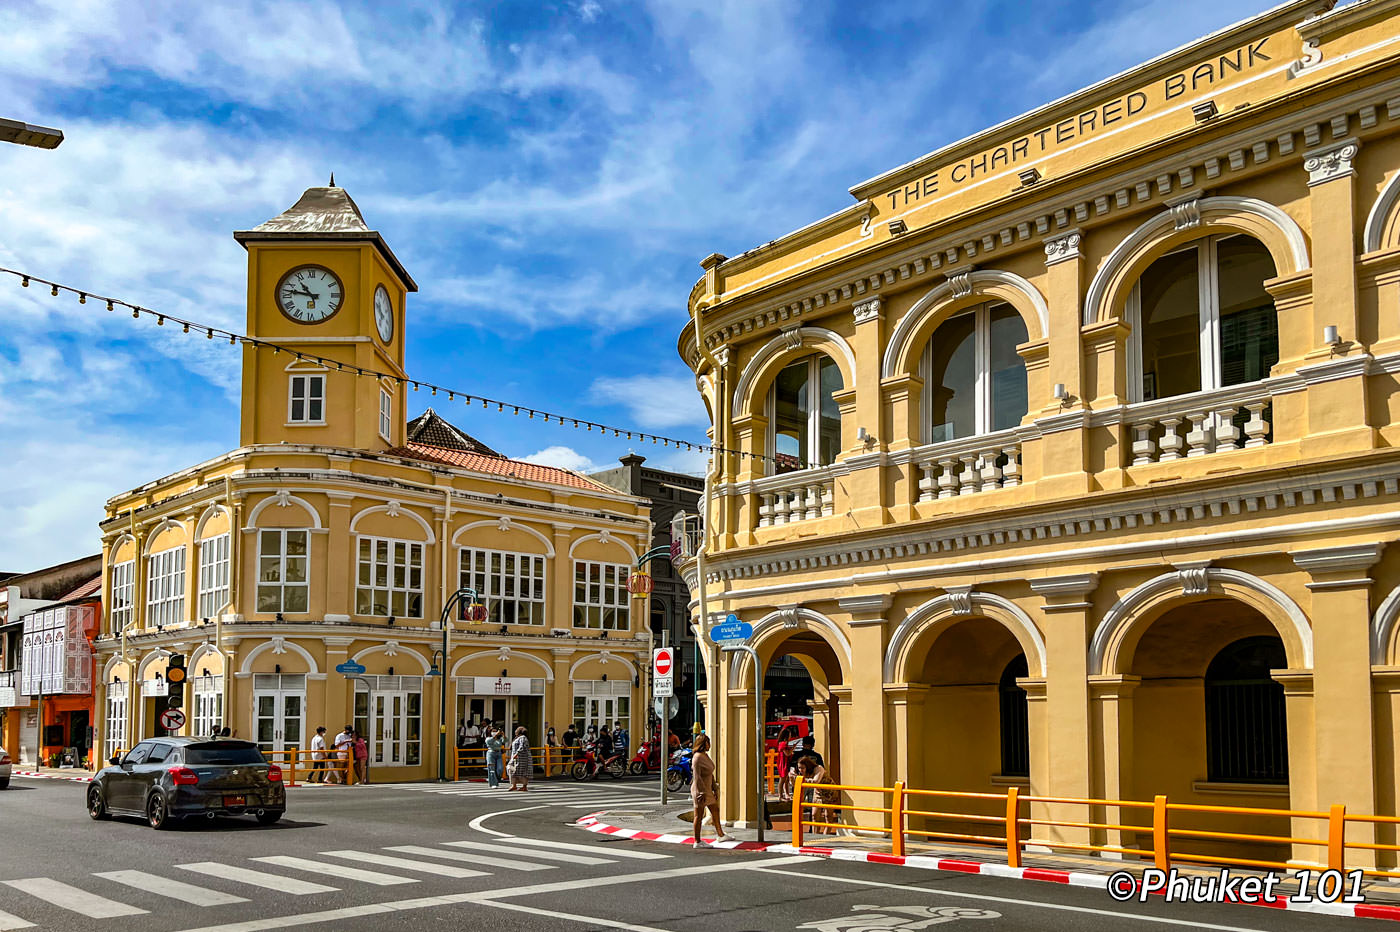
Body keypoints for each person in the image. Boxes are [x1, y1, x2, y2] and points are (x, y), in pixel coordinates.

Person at [689, 734, 732, 848]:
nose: (710, 745)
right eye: (708, 742)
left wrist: (714, 787)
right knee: (698, 815)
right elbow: (697, 776)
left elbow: (710, 773)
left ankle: (721, 835)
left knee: (715, 810)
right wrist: (702, 791)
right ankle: (697, 841)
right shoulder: (697, 757)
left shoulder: (705, 756)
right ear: (703, 743)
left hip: (707, 789)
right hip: (700, 790)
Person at [796, 755, 838, 835]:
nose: (801, 770)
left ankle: (826, 835)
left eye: (802, 768)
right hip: (818, 792)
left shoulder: (818, 768)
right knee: (814, 815)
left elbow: (816, 781)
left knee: (828, 815)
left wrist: (802, 780)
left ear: (808, 766)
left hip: (829, 791)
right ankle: (815, 835)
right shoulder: (801, 773)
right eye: (799, 768)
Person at [506, 726, 532, 791]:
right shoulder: (518, 738)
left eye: (516, 730)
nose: (515, 731)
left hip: (522, 759)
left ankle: (523, 786)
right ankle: (514, 785)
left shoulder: (523, 738)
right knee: (513, 770)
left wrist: (516, 754)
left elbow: (522, 747)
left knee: (521, 772)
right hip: (517, 758)